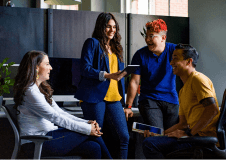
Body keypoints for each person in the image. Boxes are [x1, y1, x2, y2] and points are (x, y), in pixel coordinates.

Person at [13, 50, 112, 159]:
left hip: (49, 137)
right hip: (36, 143)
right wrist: (88, 128)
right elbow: (55, 117)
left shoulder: (40, 89)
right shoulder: (30, 91)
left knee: (93, 147)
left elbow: (60, 112)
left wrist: (86, 122)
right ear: (36, 67)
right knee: (90, 133)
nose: (51, 68)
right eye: (47, 64)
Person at [142, 44, 220, 159]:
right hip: (194, 136)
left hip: (201, 139)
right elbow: (182, 123)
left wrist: (189, 133)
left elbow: (212, 110)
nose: (171, 63)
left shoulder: (198, 79)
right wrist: (160, 133)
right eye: (172, 58)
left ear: (189, 61)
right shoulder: (183, 91)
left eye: (175, 58)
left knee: (150, 145)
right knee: (152, 140)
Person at [74, 12, 129, 159]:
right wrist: (108, 75)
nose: (112, 30)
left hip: (114, 97)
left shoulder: (117, 48)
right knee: (96, 135)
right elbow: (85, 69)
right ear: (101, 27)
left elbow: (117, 75)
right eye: (108, 27)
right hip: (94, 97)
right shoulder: (92, 43)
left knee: (124, 137)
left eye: (114, 27)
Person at [125, 19, 179, 130]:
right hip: (149, 100)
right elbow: (134, 82)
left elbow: (189, 66)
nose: (147, 40)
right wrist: (128, 106)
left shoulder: (175, 51)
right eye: (146, 36)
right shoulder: (139, 55)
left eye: (151, 36)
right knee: (157, 133)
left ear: (163, 38)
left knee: (171, 137)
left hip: (171, 100)